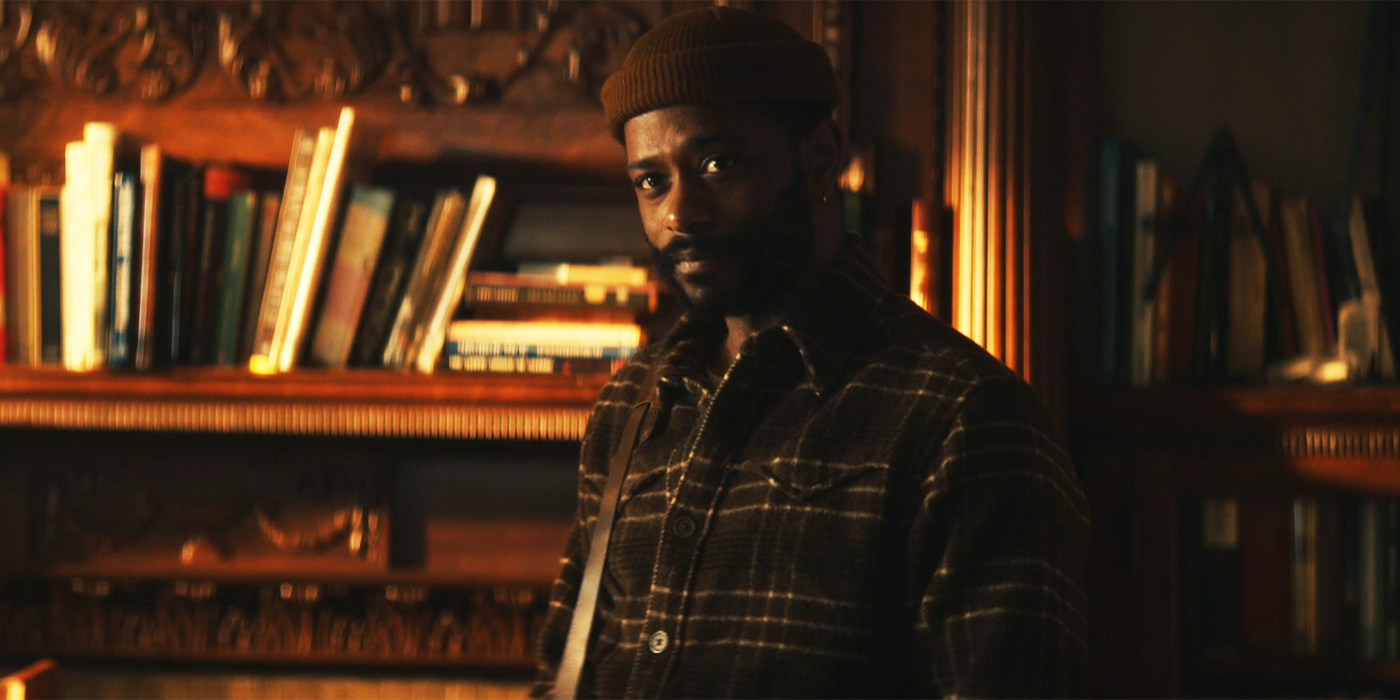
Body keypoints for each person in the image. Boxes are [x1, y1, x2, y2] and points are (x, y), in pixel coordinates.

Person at [534, 6, 1088, 698]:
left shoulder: (964, 419)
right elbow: (564, 675)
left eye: (717, 164)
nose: (680, 213)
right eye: (652, 182)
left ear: (820, 158)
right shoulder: (632, 405)